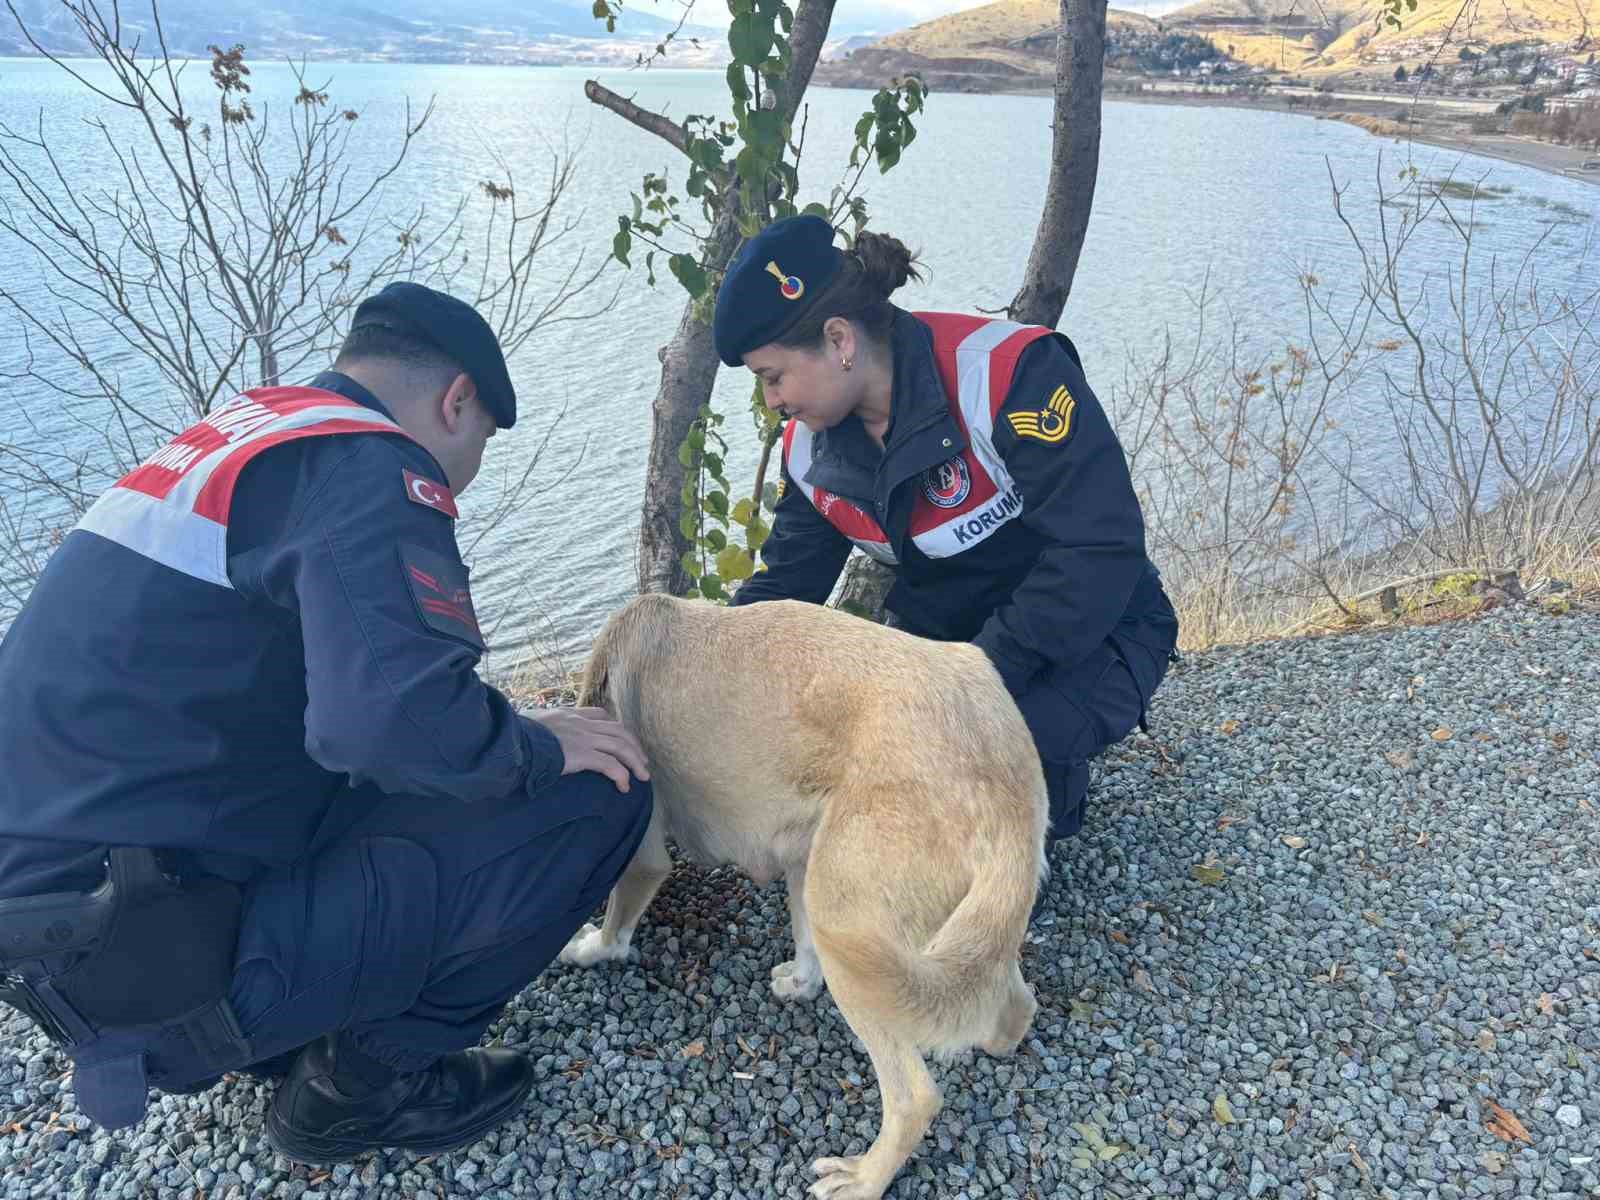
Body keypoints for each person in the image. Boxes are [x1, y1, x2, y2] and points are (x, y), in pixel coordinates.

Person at [0, 283, 653, 1162]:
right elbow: (391, 729)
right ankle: (358, 1089)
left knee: (464, 763)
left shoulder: (243, 435)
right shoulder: (367, 462)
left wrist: (491, 727)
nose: (470, 471)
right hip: (160, 962)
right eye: (481, 444)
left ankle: (285, 1021)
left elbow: (341, 700)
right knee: (599, 792)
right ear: (457, 400)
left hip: (73, 938)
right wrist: (537, 744)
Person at [718, 215, 1178, 845]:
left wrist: (965, 693)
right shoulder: (809, 451)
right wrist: (707, 660)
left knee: (954, 805)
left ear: (839, 340)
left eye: (773, 377)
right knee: (862, 781)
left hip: (1098, 633)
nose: (772, 401)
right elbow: (787, 587)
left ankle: (1040, 779)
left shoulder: (1009, 374)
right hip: (949, 654)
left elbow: (1098, 549)